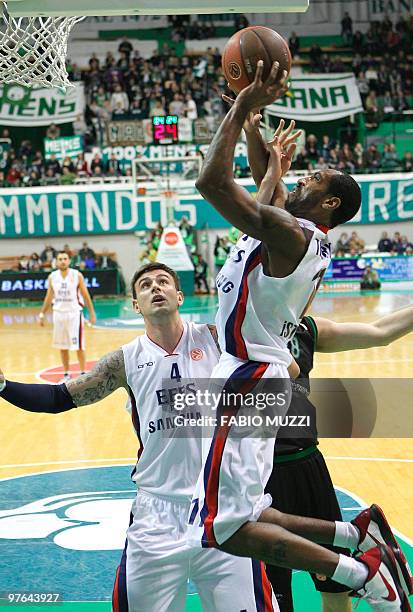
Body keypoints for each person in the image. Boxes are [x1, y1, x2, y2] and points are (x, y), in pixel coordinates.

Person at [0, 263, 411, 611]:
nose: (155, 288)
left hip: (223, 511)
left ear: (181, 296)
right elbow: (57, 398)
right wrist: (3, 385)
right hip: (156, 515)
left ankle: (360, 558)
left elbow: (281, 351)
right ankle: (358, 547)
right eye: (145, 285)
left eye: (163, 282)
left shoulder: (220, 340)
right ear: (135, 305)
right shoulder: (124, 361)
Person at [188, 61, 409, 609]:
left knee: (226, 528)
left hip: (248, 379)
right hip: (252, 377)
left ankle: (363, 576)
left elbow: (210, 183)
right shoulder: (292, 229)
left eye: (311, 180)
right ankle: (356, 536)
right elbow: (267, 194)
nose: (299, 178)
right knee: (252, 514)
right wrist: (260, 136)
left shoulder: (289, 233)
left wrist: (239, 108)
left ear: (330, 203)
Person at [268, 308, 413, 610]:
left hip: (308, 465)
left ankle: (359, 539)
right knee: (270, 595)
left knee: (335, 586)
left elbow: (380, 332)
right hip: (257, 475)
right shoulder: (228, 333)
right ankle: (359, 534)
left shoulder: (306, 330)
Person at [38, 251, 96, 382]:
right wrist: (42, 313)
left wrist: (92, 312)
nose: (63, 261)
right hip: (58, 314)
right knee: (62, 346)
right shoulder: (52, 277)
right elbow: (49, 296)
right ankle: (66, 374)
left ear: (69, 261)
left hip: (74, 314)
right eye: (60, 259)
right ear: (56, 262)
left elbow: (86, 295)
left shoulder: (77, 275)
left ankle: (83, 374)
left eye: (65, 259)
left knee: (79, 346)